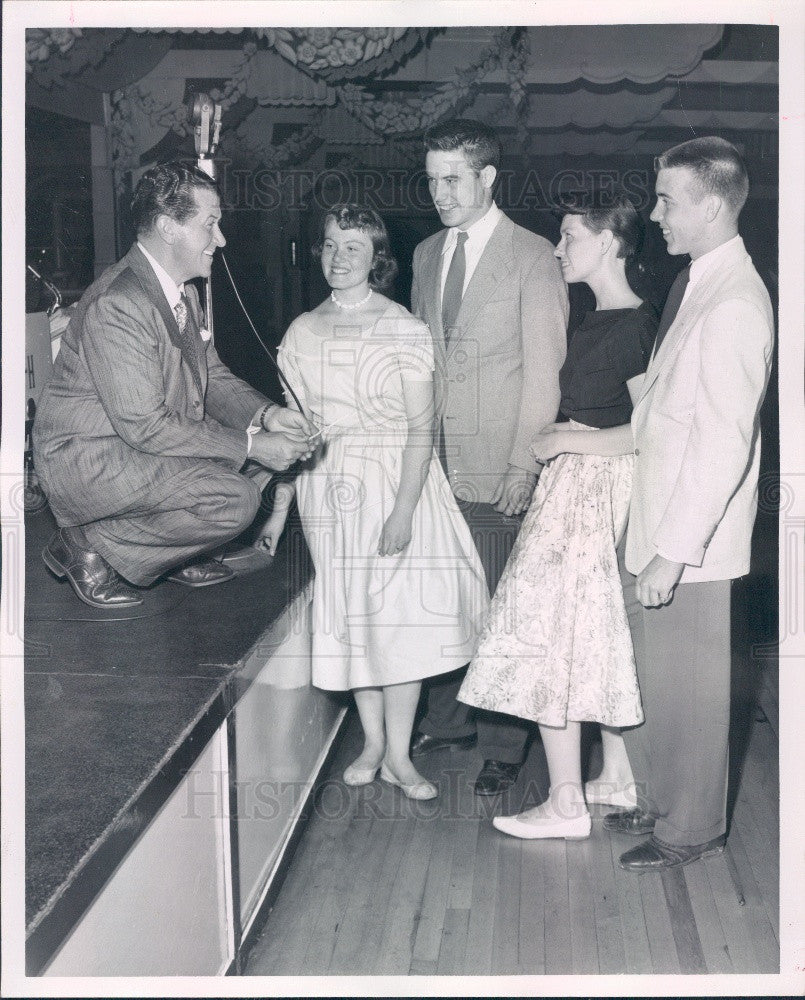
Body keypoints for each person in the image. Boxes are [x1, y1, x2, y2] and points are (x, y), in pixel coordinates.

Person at [257, 204, 489, 801]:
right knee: (355, 616)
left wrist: (404, 511)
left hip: (395, 484)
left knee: (400, 624)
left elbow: (419, 430)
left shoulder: (405, 328)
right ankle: (373, 746)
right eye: (331, 244)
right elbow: (295, 433)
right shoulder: (302, 332)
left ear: (376, 258)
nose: (339, 257)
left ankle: (402, 757)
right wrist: (279, 512)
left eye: (353, 247)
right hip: (329, 491)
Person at [458, 193, 657, 839]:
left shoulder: (635, 326)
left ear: (606, 242)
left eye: (569, 235)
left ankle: (566, 805)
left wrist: (564, 439)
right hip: (574, 491)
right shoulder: (595, 318)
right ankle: (614, 779)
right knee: (586, 642)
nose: (557, 248)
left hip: (593, 496)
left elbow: (646, 434)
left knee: (548, 641)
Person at [33, 161, 317, 609]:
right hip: (91, 457)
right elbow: (146, 426)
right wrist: (253, 443)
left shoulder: (181, 292)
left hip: (135, 447)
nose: (220, 240)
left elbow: (214, 378)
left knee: (262, 458)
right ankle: (89, 544)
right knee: (237, 498)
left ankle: (170, 555)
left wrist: (268, 416)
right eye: (210, 224)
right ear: (168, 227)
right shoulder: (120, 304)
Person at [604, 137, 774, 871]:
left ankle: (691, 828)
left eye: (667, 200)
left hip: (689, 538)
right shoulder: (698, 280)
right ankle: (661, 799)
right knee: (656, 681)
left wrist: (673, 551)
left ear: (709, 204)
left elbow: (722, 442)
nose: (655, 213)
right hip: (658, 518)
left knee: (693, 691)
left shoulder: (735, 301)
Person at [409, 118, 569, 795]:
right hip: (433, 464)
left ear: (487, 178)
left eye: (452, 179)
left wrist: (523, 466)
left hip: (498, 462)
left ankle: (505, 744)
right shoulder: (422, 253)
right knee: (442, 599)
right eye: (431, 179)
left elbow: (544, 370)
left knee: (505, 605)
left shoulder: (532, 255)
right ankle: (448, 722)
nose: (439, 192)